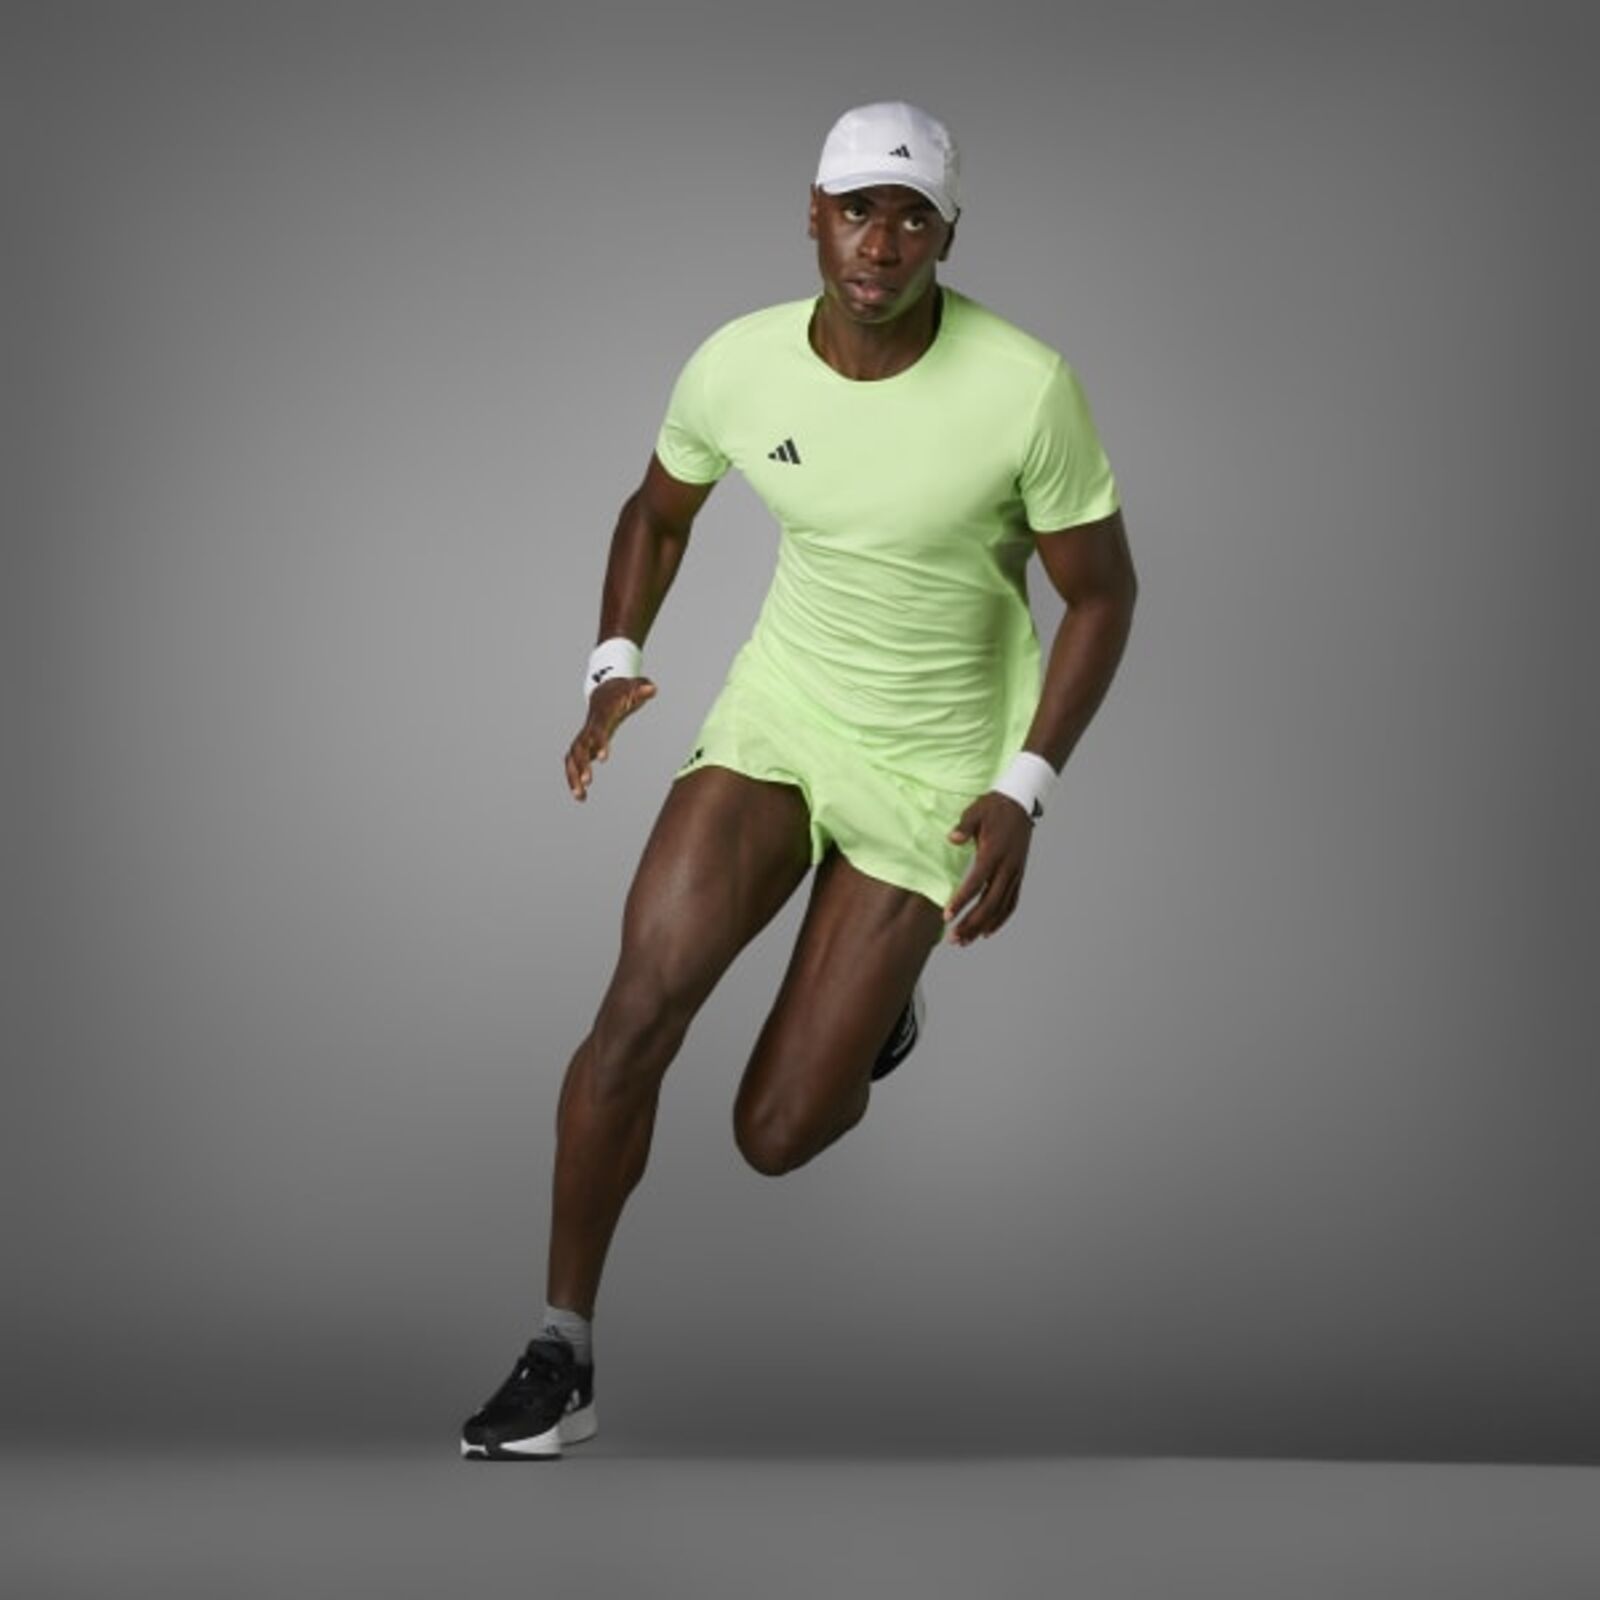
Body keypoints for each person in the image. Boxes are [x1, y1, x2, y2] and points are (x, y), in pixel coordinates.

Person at [462, 100, 1137, 1459]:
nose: (880, 243)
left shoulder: (1025, 388)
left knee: (773, 1131)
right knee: (635, 1008)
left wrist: (1024, 789)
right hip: (784, 717)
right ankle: (560, 1353)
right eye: (857, 211)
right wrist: (612, 661)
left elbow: (1105, 595)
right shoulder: (740, 364)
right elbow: (659, 511)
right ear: (812, 216)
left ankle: (882, 1013)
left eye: (911, 217)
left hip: (935, 768)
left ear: (948, 235)